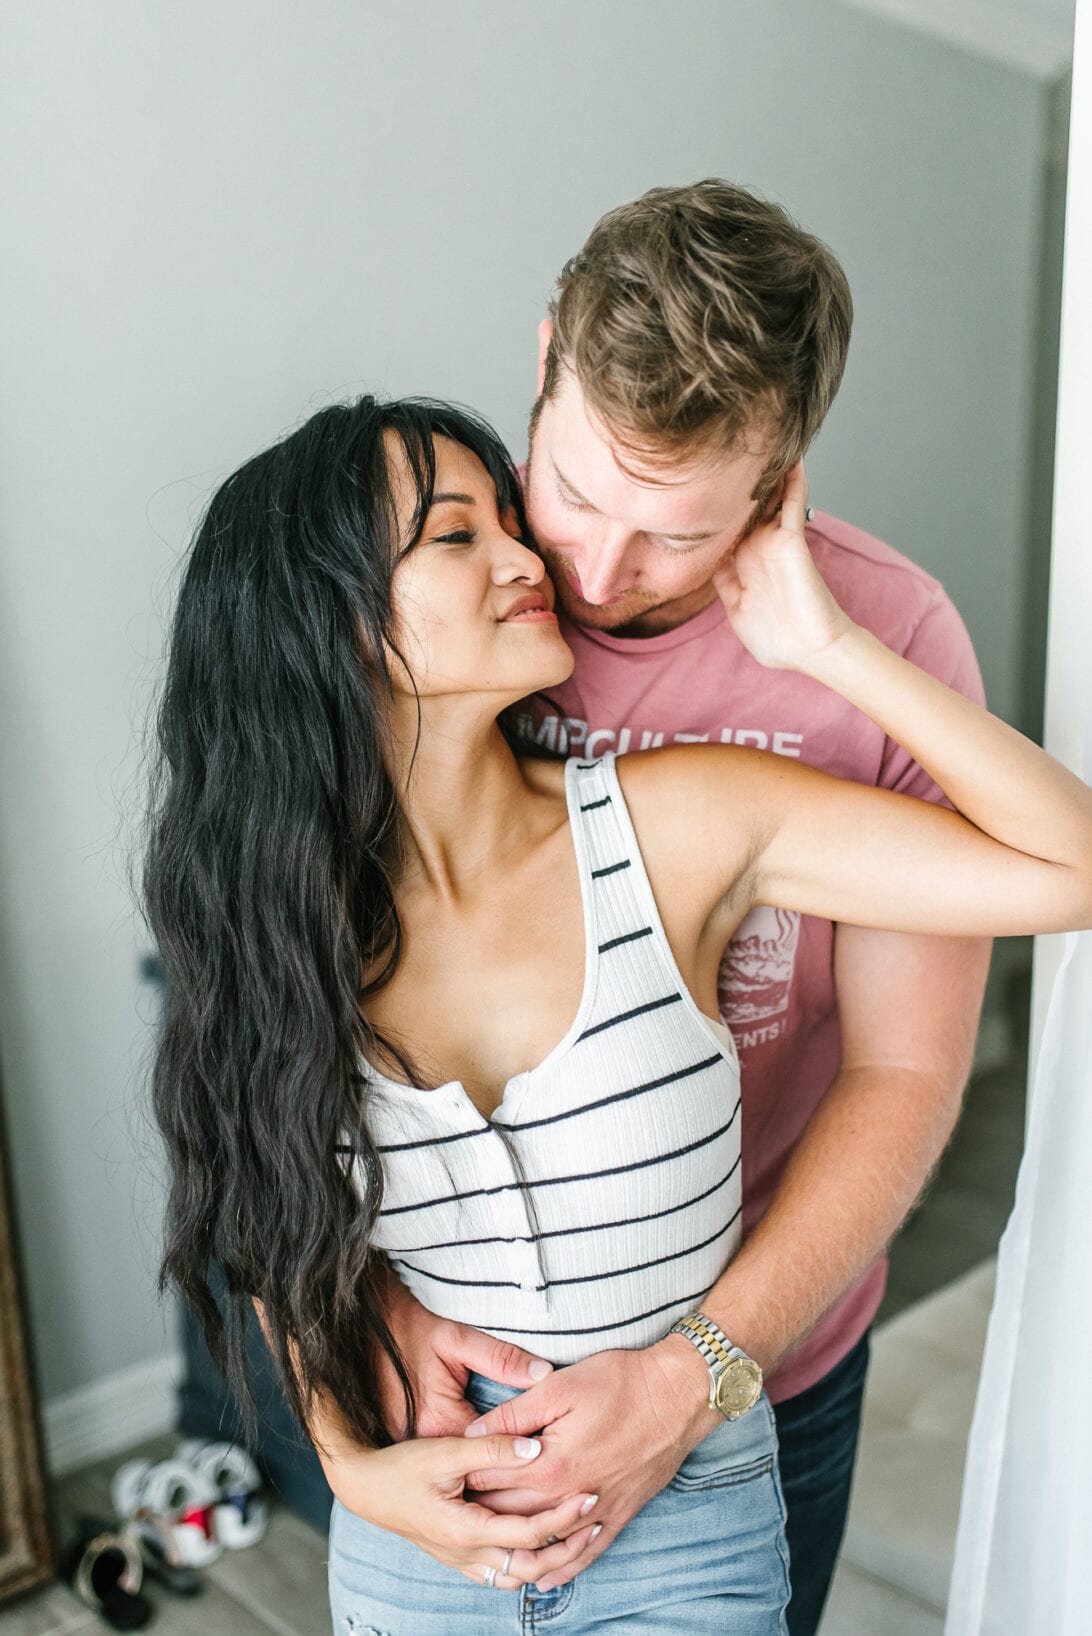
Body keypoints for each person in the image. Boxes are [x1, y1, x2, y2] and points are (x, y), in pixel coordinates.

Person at [144, 392, 1092, 1636]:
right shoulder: (271, 922)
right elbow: (266, 1208)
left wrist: (830, 647)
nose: (529, 557)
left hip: (683, 1518)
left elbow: (1067, 867)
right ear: (332, 617)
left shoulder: (678, 820)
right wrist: (345, 1460)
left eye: (506, 519)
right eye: (454, 536)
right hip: (415, 1534)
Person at [375, 180, 994, 1635]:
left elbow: (906, 1068)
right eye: (576, 490)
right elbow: (296, 1003)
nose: (592, 572)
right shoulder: (448, 595)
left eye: (674, 535)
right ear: (542, 362)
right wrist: (362, 1307)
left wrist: (698, 1370)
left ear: (783, 484)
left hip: (765, 1359)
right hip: (462, 1359)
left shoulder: (894, 643)